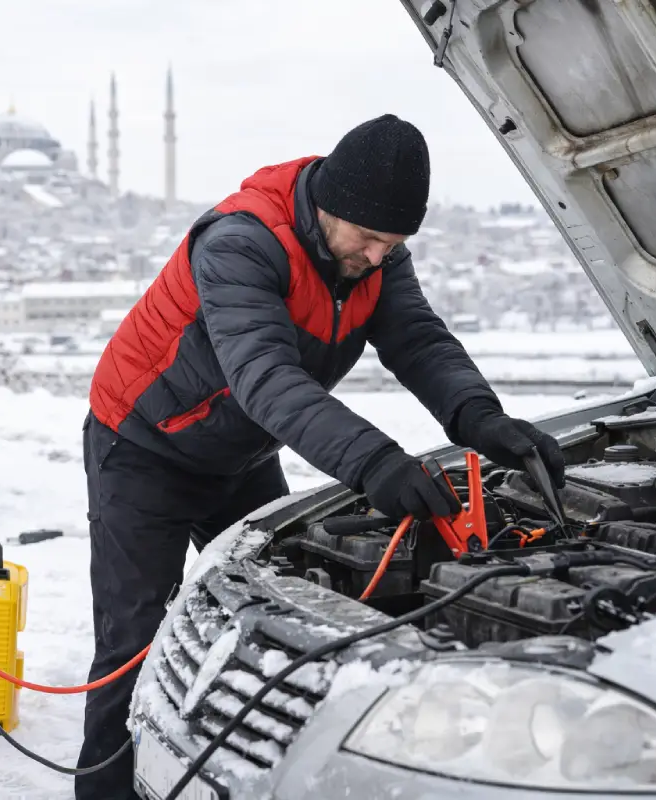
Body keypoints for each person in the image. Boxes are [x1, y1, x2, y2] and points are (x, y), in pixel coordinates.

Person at [76, 114, 566, 798]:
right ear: (328, 207)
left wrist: (482, 420)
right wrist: (377, 464)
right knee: (132, 644)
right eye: (368, 239)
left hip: (240, 453)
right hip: (144, 447)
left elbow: (418, 340)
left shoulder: (376, 253)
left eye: (392, 244)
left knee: (274, 617)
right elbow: (266, 378)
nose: (377, 257)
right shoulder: (242, 243)